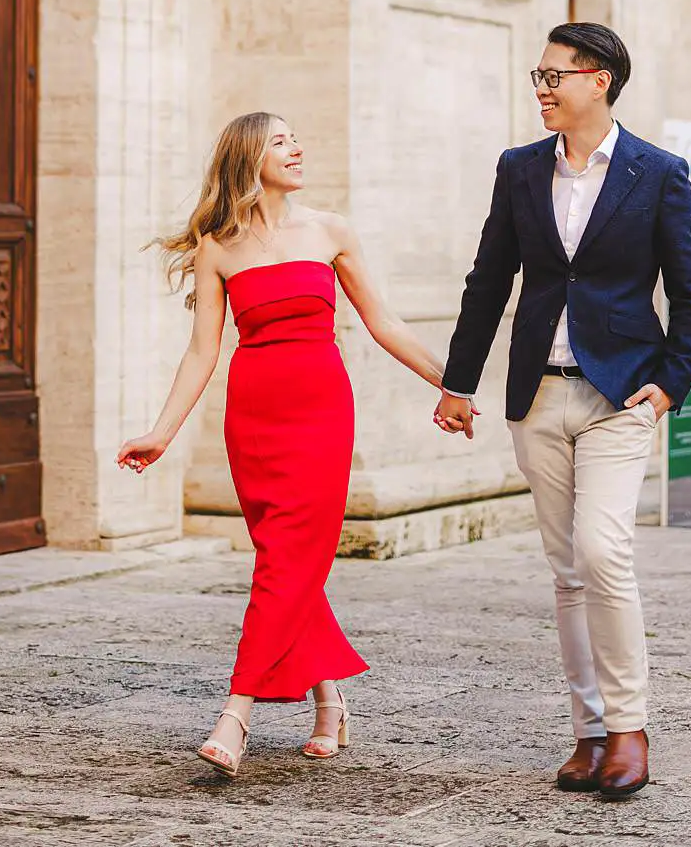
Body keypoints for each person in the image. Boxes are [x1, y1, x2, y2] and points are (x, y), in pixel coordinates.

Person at [118, 112, 445, 777]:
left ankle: (235, 714)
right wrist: (162, 432)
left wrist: (451, 383)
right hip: (255, 417)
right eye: (280, 140)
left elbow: (382, 321)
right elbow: (202, 352)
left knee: (285, 561)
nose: (297, 148)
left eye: (297, 137)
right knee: (284, 558)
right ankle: (330, 702)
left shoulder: (330, 230)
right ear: (248, 157)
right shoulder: (217, 247)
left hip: (321, 413)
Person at [434, 22, 691, 802]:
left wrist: (671, 383)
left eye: (554, 75)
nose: (542, 88)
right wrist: (459, 382)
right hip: (538, 394)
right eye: (539, 75)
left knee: (602, 552)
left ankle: (628, 727)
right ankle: (588, 731)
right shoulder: (520, 168)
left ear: (600, 80)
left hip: (619, 395)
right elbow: (488, 279)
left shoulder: (658, 172)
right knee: (567, 571)